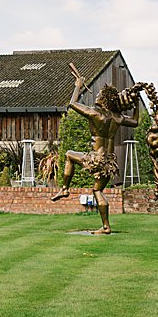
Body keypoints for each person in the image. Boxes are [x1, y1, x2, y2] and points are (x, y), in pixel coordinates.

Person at [50, 64, 139, 234]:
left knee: (69, 155)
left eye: (99, 94)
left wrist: (78, 85)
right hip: (110, 162)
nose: (96, 95)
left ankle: (65, 188)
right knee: (97, 190)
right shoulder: (118, 117)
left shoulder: (94, 114)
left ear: (104, 99)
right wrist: (135, 104)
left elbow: (73, 103)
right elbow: (135, 122)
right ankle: (106, 226)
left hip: (96, 159)